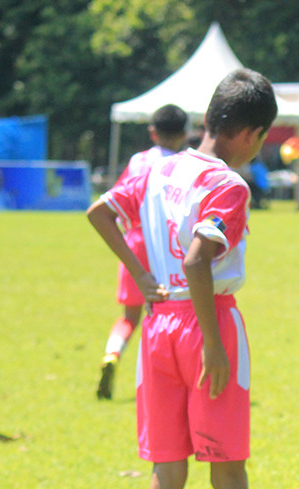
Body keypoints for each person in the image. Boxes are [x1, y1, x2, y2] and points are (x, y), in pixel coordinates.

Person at [86, 70, 277, 489]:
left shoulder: (156, 166)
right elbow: (199, 260)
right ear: (250, 133)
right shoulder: (229, 186)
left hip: (157, 325)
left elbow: (99, 212)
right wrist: (215, 345)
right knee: (228, 474)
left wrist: (141, 275)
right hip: (206, 323)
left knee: (167, 473)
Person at [97, 104, 188, 400]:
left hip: (132, 242)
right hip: (163, 245)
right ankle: (162, 382)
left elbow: (118, 199)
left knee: (130, 317)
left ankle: (112, 354)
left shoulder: (138, 161)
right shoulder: (183, 164)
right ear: (185, 134)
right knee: (165, 316)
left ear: (152, 131)